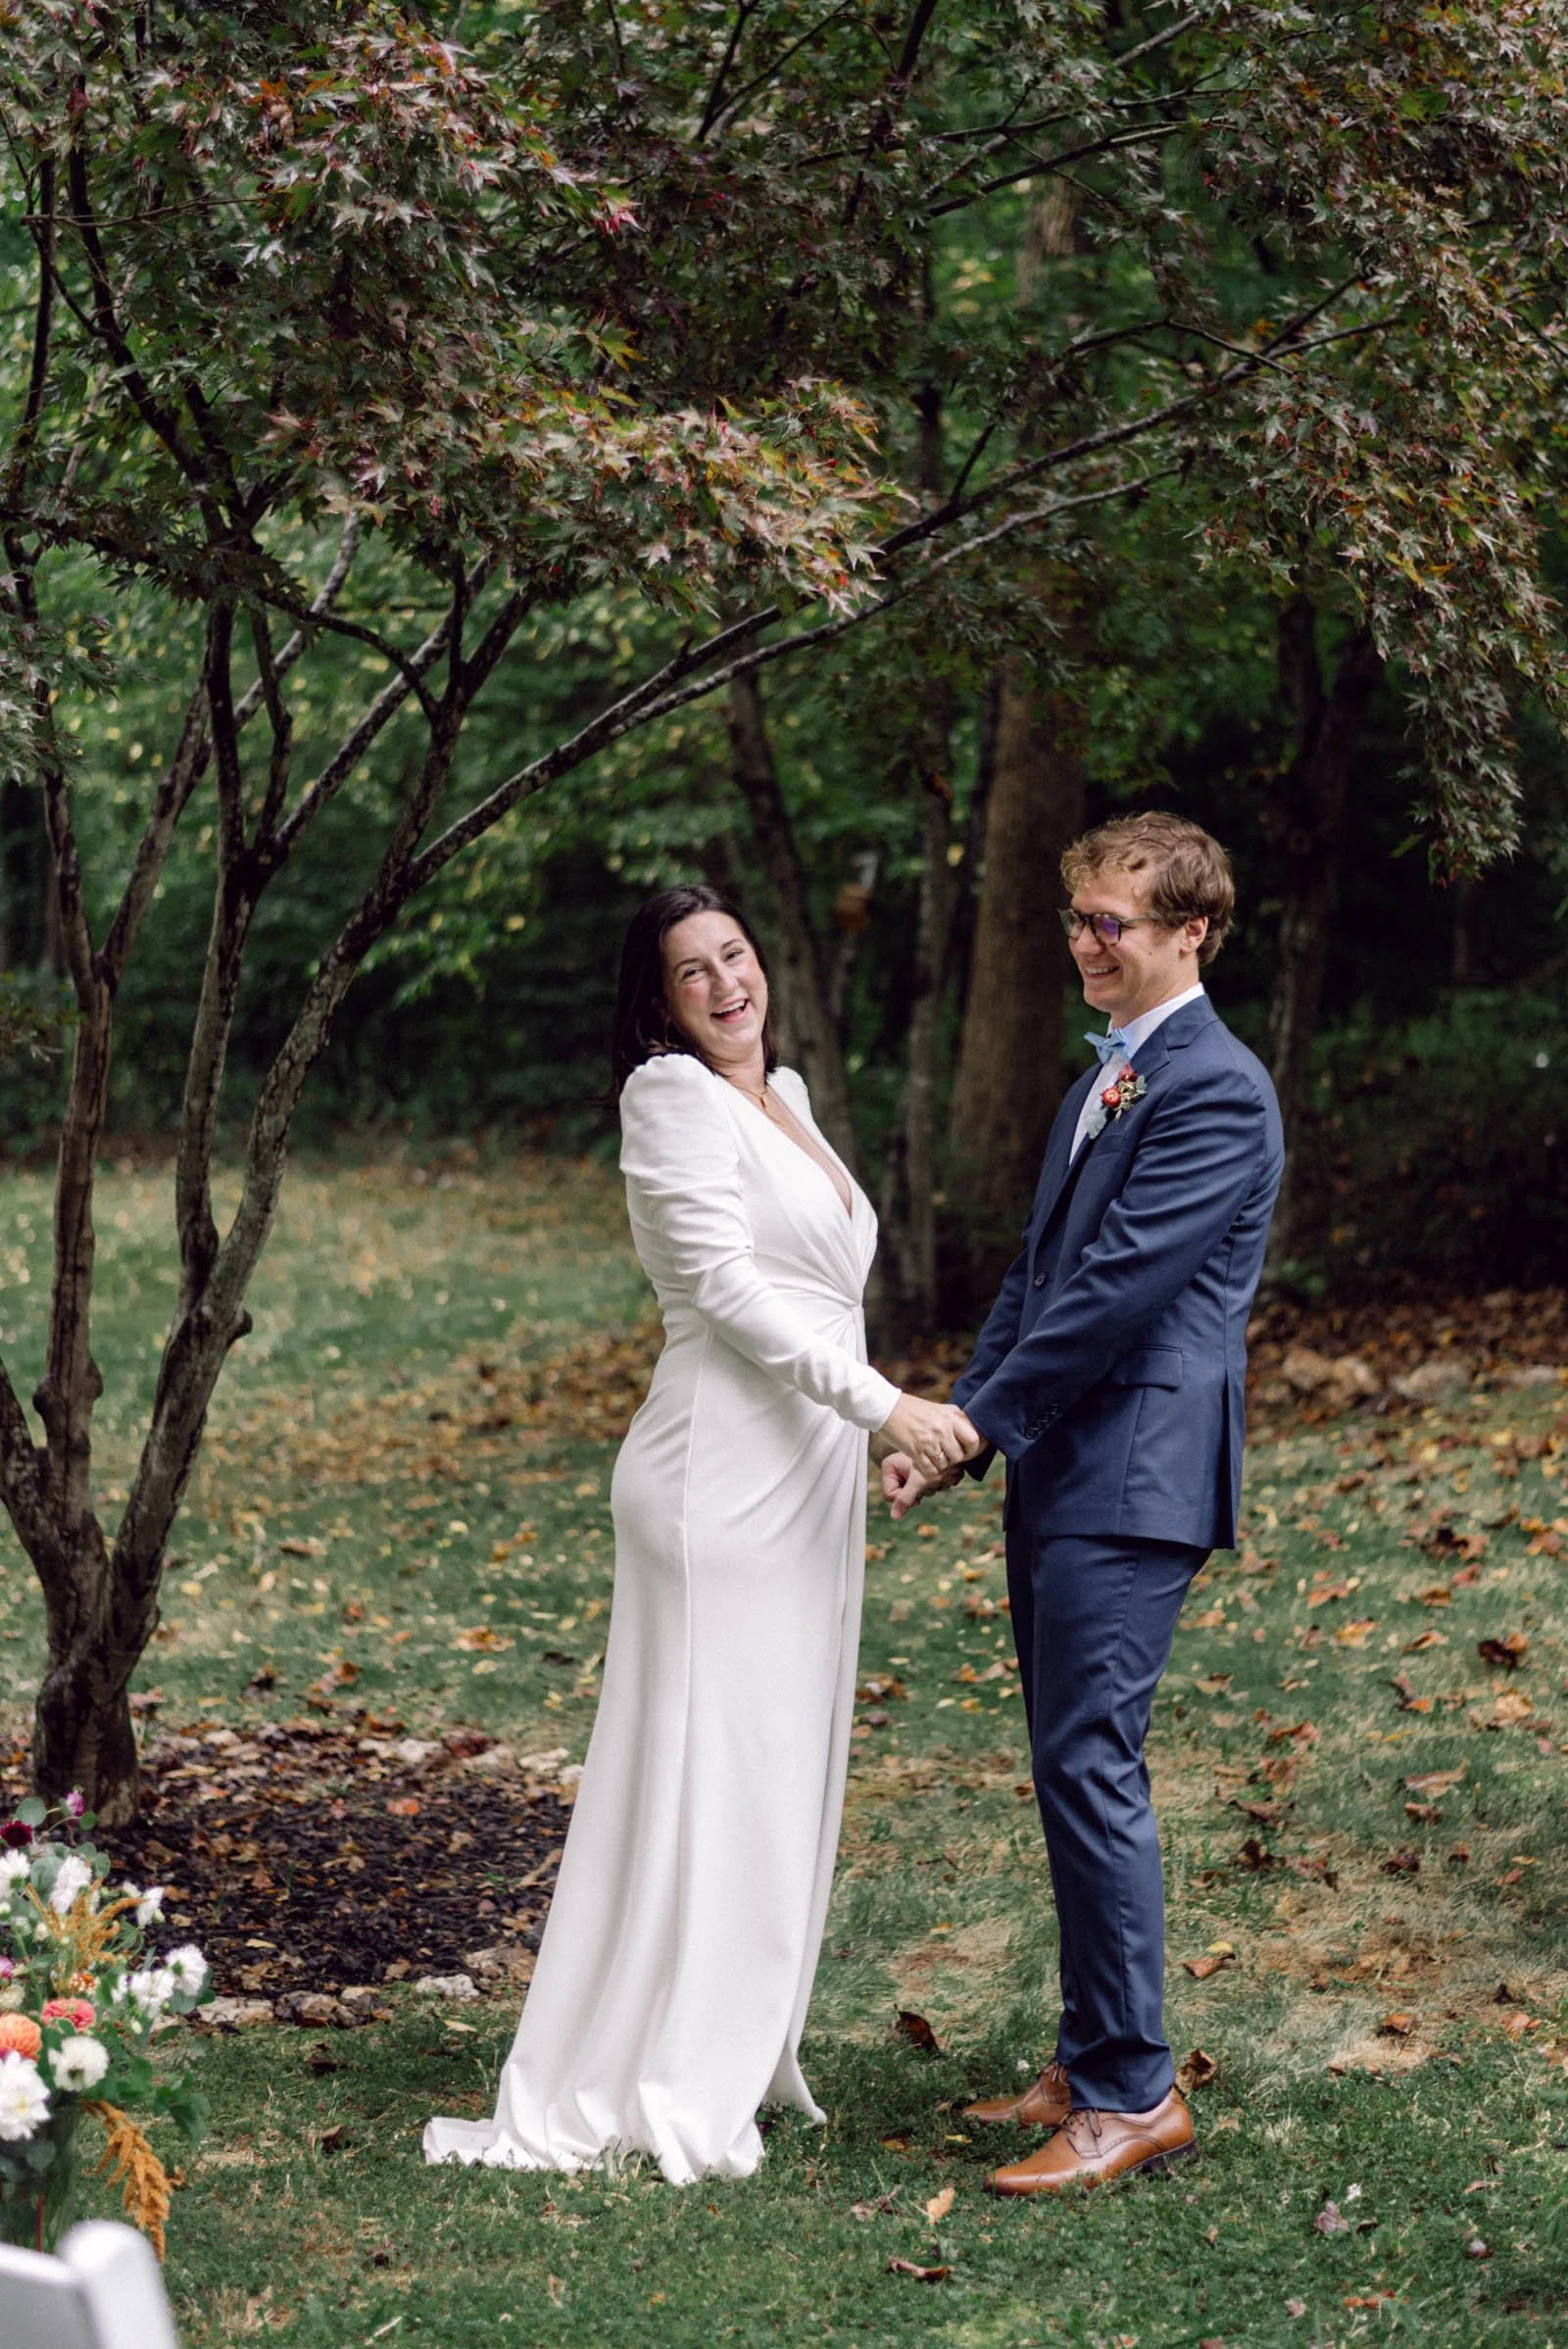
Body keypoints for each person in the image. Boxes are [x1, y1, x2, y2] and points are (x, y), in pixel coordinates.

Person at [425, 883, 978, 2185]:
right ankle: (664, 2066)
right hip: (715, 1477)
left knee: (777, 1769)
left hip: (807, 1473)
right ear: (661, 1003)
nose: (728, 985)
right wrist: (888, 1405)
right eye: (693, 972)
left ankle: (730, 2044)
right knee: (710, 1772)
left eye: (737, 954)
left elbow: (818, 1297)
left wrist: (869, 1439)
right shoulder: (669, 1097)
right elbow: (728, 1291)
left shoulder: (784, 1094)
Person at [882, 811, 1283, 2195]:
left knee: (1093, 1766)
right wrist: (957, 1431)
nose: (1084, 944)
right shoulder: (1104, 1080)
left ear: (1193, 932)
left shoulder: (1217, 1090)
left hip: (1134, 1473)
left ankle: (1133, 2096)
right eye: (1077, 920)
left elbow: (1117, 1294)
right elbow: (1036, 1280)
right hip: (1063, 1466)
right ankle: (1088, 2053)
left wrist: (980, 1423)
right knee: (1071, 1766)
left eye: (1112, 923)